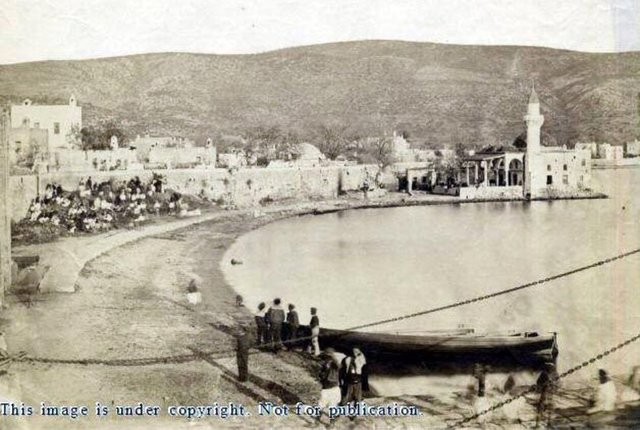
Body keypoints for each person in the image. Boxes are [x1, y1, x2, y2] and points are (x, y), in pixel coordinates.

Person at [317, 348, 342, 426]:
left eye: (328, 357)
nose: (327, 359)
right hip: (325, 388)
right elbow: (320, 375)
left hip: (334, 388)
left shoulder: (335, 365)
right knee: (320, 405)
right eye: (326, 357)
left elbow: (339, 366)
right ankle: (316, 422)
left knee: (332, 407)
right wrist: (322, 375)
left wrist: (332, 356)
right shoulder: (324, 365)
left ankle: (332, 424)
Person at [536, 362, 559, 427]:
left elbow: (558, 383)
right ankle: (537, 423)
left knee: (549, 407)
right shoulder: (544, 373)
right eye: (549, 368)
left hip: (550, 393)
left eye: (551, 368)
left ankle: (549, 422)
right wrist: (543, 385)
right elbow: (538, 382)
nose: (550, 369)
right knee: (541, 407)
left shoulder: (555, 374)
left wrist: (554, 386)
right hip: (544, 393)